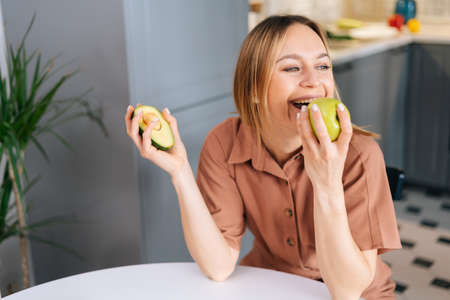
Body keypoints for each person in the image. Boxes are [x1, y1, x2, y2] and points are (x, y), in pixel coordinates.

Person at [125, 15, 401, 300]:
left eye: (322, 66)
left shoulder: (359, 155)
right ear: (254, 89)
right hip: (270, 284)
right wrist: (180, 171)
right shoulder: (224, 144)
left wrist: (327, 182)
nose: (314, 81)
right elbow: (218, 267)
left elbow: (347, 291)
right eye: (293, 68)